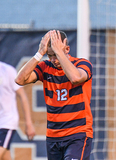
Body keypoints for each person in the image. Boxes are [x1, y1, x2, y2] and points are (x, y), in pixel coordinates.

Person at [15, 30, 93, 160]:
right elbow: (20, 80)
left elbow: (75, 78)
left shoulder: (82, 64)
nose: (53, 59)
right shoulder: (45, 67)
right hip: (53, 136)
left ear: (67, 49)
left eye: (56, 55)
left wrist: (59, 52)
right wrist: (40, 53)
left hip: (78, 134)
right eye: (50, 55)